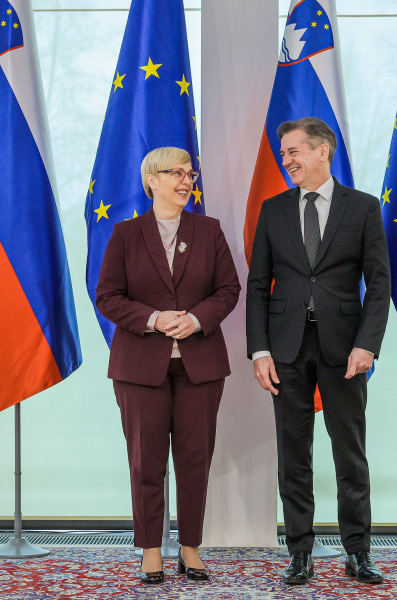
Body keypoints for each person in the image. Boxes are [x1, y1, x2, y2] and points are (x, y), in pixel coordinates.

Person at [246, 117, 391, 585]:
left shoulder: (364, 208)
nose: (286, 160)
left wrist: (367, 344)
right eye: (284, 152)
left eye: (293, 151)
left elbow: (380, 283)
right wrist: (259, 351)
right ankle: (300, 552)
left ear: (322, 151)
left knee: (350, 453)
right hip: (285, 350)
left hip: (345, 350)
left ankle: (358, 551)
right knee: (294, 454)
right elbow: (257, 287)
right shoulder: (273, 210)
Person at [97, 146, 240, 584]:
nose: (185, 181)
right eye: (175, 173)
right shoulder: (125, 234)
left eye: (190, 174)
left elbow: (228, 289)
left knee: (195, 460)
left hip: (200, 366)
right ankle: (151, 550)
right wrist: (155, 319)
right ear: (151, 180)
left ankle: (191, 548)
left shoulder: (209, 230)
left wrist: (195, 319)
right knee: (146, 462)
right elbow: (107, 296)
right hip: (140, 368)